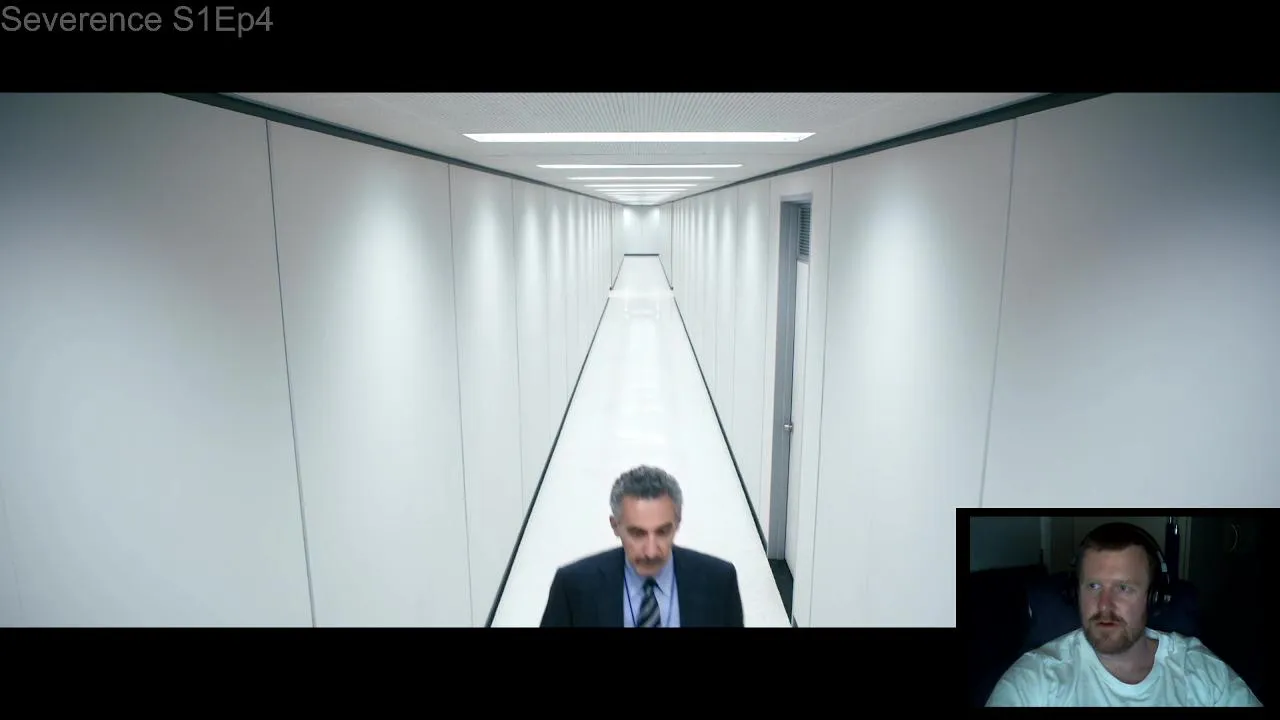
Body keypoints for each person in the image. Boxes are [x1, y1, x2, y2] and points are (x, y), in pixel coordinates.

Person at [986, 522, 1262, 707]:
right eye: (1094, 586)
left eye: (1124, 588)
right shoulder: (1034, 680)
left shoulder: (1202, 672)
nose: (1104, 605)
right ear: (1074, 593)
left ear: (1155, 598)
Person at [539, 465, 745, 627]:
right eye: (637, 534)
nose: (651, 551)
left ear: (678, 522)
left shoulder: (719, 582)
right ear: (615, 526)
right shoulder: (574, 586)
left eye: (662, 532)